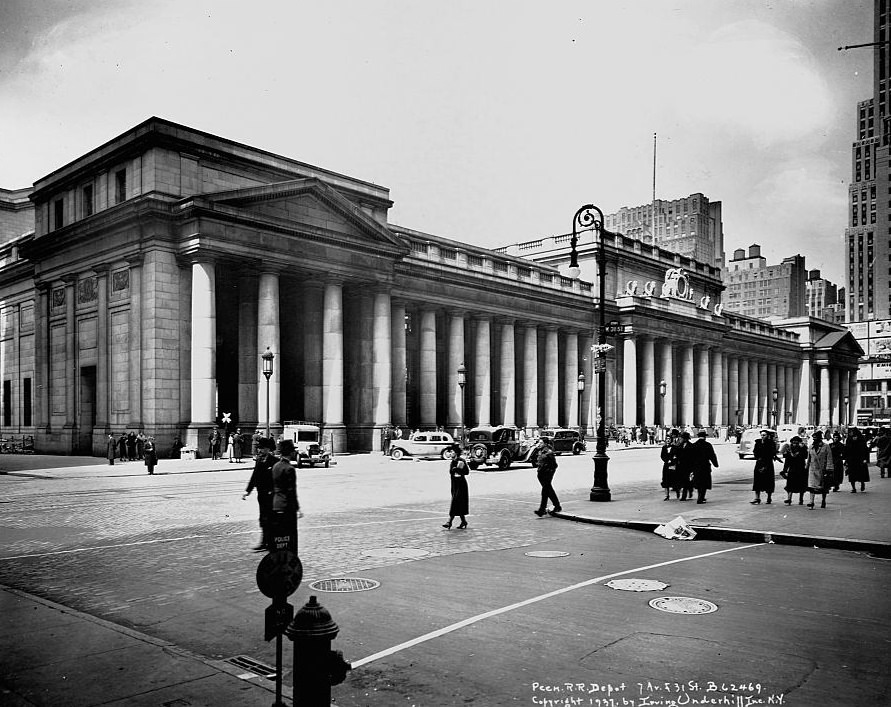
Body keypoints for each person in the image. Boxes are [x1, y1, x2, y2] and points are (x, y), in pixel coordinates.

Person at [243, 437, 277, 551]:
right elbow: (254, 476)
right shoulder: (259, 460)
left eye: (262, 449)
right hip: (261, 495)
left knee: (270, 518)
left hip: (271, 496)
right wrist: (247, 491)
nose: (259, 451)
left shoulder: (274, 461)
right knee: (263, 518)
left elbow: (277, 479)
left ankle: (271, 541)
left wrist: (273, 490)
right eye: (259, 449)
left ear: (268, 449)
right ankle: (264, 541)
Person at [270, 439, 301, 550]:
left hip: (276, 504)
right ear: (291, 453)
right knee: (290, 537)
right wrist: (297, 508)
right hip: (287, 506)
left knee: (279, 536)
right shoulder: (289, 469)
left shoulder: (275, 466)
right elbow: (291, 491)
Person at [442, 444, 470, 529]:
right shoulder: (452, 462)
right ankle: (464, 521)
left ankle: (449, 521)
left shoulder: (461, 461)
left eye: (452, 452)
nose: (451, 454)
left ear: (456, 453)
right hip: (454, 485)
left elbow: (466, 472)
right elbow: (451, 473)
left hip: (461, 485)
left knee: (455, 502)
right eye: (450, 452)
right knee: (458, 503)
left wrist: (457, 469)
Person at [534, 437, 561, 517]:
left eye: (541, 443)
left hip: (547, 474)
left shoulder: (549, 452)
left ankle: (542, 510)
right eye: (539, 442)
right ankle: (557, 506)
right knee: (549, 491)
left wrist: (549, 473)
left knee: (545, 492)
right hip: (541, 474)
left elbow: (555, 465)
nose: (539, 444)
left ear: (545, 444)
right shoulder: (540, 451)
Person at [806, 430, 834, 509]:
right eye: (813, 439)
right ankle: (811, 502)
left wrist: (829, 469)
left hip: (822, 469)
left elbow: (829, 458)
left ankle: (823, 500)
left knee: (823, 487)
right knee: (811, 487)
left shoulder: (826, 446)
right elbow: (809, 458)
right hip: (812, 469)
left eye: (816, 439)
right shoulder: (811, 447)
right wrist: (806, 468)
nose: (814, 440)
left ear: (820, 439)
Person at [751, 429, 780, 504]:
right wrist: (757, 457)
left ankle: (769, 497)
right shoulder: (757, 443)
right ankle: (757, 498)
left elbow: (772, 453)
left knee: (768, 481)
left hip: (768, 463)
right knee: (757, 481)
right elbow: (755, 452)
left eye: (764, 435)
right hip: (759, 463)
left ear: (768, 436)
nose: (762, 436)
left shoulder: (771, 443)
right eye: (761, 435)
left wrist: (765, 465)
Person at [691, 429, 719, 504]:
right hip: (705, 466)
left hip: (696, 467)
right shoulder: (708, 445)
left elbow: (691, 457)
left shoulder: (694, 445)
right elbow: (712, 456)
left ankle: (700, 497)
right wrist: (716, 464)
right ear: (705, 437)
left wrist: (691, 468)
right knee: (704, 483)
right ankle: (701, 498)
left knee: (698, 482)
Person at [781, 436, 808, 505]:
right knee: (790, 485)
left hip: (801, 469)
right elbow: (787, 461)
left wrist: (803, 447)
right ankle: (789, 499)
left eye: (796, 443)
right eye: (793, 443)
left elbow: (806, 456)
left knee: (801, 485)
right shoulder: (789, 450)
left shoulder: (802, 450)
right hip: (792, 469)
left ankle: (801, 499)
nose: (794, 444)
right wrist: (785, 470)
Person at [845, 427, 870, 493]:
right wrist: (846, 460)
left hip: (860, 459)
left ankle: (862, 483)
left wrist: (865, 459)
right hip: (852, 460)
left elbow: (865, 450)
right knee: (852, 475)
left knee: (861, 473)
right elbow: (847, 450)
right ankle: (853, 488)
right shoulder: (849, 439)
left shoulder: (861, 439)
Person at [660, 429, 680, 500]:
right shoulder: (664, 447)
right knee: (666, 480)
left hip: (672, 465)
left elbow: (676, 456)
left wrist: (672, 460)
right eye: (666, 439)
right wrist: (666, 460)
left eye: (669, 439)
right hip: (666, 465)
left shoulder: (675, 447)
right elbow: (662, 456)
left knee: (674, 479)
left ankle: (678, 493)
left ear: (671, 440)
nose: (668, 440)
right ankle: (667, 495)